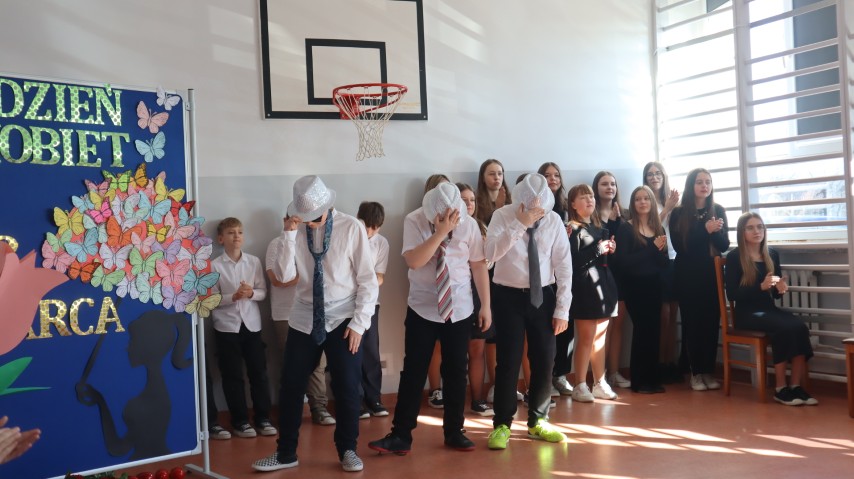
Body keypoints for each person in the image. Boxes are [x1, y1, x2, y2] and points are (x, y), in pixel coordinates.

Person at [253, 176, 378, 473]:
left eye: (314, 217)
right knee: (291, 385)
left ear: (328, 207)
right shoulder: (295, 230)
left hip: (343, 317)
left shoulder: (351, 228)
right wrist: (288, 236)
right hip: (304, 317)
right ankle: (286, 453)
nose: (309, 222)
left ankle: (347, 450)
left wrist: (359, 324)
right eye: (304, 217)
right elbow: (284, 277)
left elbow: (367, 280)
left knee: (347, 386)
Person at [369, 182, 491, 454]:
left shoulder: (469, 224)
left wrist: (486, 305)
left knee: (456, 371)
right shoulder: (414, 220)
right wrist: (440, 233)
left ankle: (454, 431)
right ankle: (401, 435)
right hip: (422, 308)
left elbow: (478, 265)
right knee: (414, 371)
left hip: (459, 307)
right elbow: (414, 261)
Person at [484, 173, 572, 450]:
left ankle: (538, 421)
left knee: (545, 359)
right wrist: (519, 224)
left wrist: (563, 309)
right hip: (508, 296)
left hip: (543, 296)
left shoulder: (553, 220)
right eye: (530, 204)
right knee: (508, 361)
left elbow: (564, 265)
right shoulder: (502, 216)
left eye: (540, 205)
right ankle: (502, 424)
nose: (536, 209)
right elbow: (490, 255)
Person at [725, 212, 817, 406]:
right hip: (747, 314)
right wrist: (760, 287)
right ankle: (780, 388)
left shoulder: (772, 254)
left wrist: (780, 288)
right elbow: (732, 294)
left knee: (799, 327)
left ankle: (795, 386)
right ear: (742, 232)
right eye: (750, 228)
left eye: (760, 227)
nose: (756, 231)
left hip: (768, 310)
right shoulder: (734, 257)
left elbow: (775, 294)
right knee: (783, 329)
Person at [209, 217, 276, 439]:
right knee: (232, 375)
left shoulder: (253, 262)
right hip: (226, 327)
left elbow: (263, 292)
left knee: (259, 373)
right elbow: (211, 299)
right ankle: (240, 422)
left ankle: (263, 418)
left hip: (252, 326)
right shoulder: (214, 266)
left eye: (239, 232)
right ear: (221, 239)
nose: (236, 236)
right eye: (231, 233)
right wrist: (233, 297)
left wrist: (251, 293)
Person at [266, 218, 336, 426]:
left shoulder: (317, 243)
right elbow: (279, 280)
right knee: (292, 364)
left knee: (319, 363)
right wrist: (308, 276)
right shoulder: (275, 244)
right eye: (295, 219)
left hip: (315, 312)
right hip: (285, 314)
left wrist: (309, 276)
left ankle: (318, 407)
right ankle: (290, 412)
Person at [669, 168, 729, 391]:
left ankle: (708, 371)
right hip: (687, 275)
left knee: (711, 323)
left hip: (711, 275)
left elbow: (724, 245)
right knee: (692, 323)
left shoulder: (718, 210)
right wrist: (705, 230)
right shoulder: (679, 213)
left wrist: (715, 232)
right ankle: (695, 372)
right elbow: (681, 247)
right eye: (699, 182)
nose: (705, 186)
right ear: (691, 186)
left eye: (708, 182)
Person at [566, 183, 619, 402]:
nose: (589, 200)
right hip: (583, 288)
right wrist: (599, 249)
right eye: (583, 197)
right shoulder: (571, 229)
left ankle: (599, 382)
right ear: (573, 204)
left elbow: (603, 260)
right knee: (586, 337)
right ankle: (579, 384)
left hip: (604, 286)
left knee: (600, 339)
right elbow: (573, 262)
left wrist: (610, 249)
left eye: (590, 196)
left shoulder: (599, 227)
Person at [615, 186, 669, 394]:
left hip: (654, 285)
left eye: (646, 198)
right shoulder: (626, 228)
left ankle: (652, 379)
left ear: (652, 202)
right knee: (642, 331)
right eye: (638, 199)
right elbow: (623, 262)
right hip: (634, 286)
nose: (643, 202)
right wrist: (652, 249)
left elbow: (663, 263)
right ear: (633, 203)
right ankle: (639, 381)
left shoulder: (659, 228)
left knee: (654, 331)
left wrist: (659, 252)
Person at [642, 161, 682, 383]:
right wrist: (667, 208)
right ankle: (658, 363)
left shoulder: (673, 200)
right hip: (658, 260)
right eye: (650, 174)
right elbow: (651, 228)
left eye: (658, 173)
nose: (654, 177)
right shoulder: (645, 200)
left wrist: (673, 206)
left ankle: (670, 362)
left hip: (675, 258)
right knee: (663, 315)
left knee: (673, 313)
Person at [458, 182, 495, 416]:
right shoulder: (447, 226)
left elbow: (487, 263)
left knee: (477, 348)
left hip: (478, 292)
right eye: (464, 200)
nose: (469, 204)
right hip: (456, 293)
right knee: (453, 351)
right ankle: (451, 398)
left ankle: (478, 399)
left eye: (472, 200)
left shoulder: (481, 226)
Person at [538, 162, 573, 397]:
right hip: (543, 277)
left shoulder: (566, 207)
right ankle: (546, 377)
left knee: (566, 328)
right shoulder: (537, 207)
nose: (553, 179)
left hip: (566, 271)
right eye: (547, 175)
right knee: (547, 330)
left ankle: (560, 374)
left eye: (556, 175)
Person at [593, 171, 630, 389]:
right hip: (601, 274)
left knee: (618, 324)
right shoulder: (592, 212)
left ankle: (614, 372)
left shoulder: (624, 213)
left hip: (621, 274)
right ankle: (600, 375)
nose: (610, 187)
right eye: (604, 184)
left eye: (613, 184)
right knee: (602, 327)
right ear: (596, 188)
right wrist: (611, 222)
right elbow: (599, 245)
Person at [356, 201, 390, 417]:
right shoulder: (349, 235)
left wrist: (365, 281)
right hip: (346, 304)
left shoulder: (381, 243)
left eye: (375, 228)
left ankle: (374, 398)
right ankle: (355, 400)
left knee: (370, 352)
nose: (369, 231)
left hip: (370, 303)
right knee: (351, 353)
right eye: (367, 226)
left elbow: (380, 277)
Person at [424, 174, 451, 409]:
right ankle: (435, 389)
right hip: (429, 294)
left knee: (453, 348)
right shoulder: (419, 220)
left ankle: (452, 388)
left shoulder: (462, 221)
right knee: (434, 347)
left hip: (454, 295)